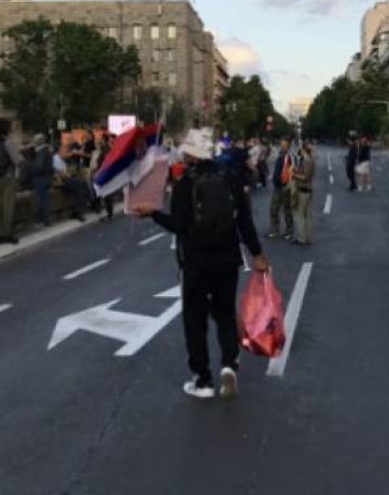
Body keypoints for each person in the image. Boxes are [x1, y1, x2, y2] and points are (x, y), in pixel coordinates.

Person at [132, 128, 268, 400]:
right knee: (225, 314)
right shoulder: (230, 178)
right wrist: (257, 254)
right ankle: (229, 365)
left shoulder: (185, 183)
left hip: (195, 261)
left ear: (191, 154)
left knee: (195, 319)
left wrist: (154, 214)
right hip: (227, 259)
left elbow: (179, 225)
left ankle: (202, 379)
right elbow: (244, 221)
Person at [0, 118, 21, 244]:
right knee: (7, 206)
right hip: (7, 177)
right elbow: (17, 160)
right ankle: (7, 233)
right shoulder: (9, 143)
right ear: (7, 129)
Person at [268, 136, 295, 241]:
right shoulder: (280, 155)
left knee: (287, 209)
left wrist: (289, 183)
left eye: (284, 145)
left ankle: (289, 231)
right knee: (273, 208)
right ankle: (275, 230)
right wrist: (273, 177)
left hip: (285, 186)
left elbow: (292, 171)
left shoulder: (289, 157)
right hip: (277, 186)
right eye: (281, 144)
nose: (282, 146)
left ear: (288, 146)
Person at [292, 141, 316, 245]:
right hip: (309, 190)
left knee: (300, 214)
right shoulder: (310, 159)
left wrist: (294, 175)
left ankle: (301, 238)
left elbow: (306, 177)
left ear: (302, 150)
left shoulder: (306, 160)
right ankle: (308, 237)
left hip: (303, 189)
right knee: (308, 216)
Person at [31, 134, 54, 227]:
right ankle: (46, 220)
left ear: (38, 142)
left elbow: (39, 167)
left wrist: (32, 169)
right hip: (47, 178)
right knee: (44, 199)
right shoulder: (47, 151)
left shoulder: (41, 152)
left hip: (40, 179)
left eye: (34, 141)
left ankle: (43, 220)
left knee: (41, 200)